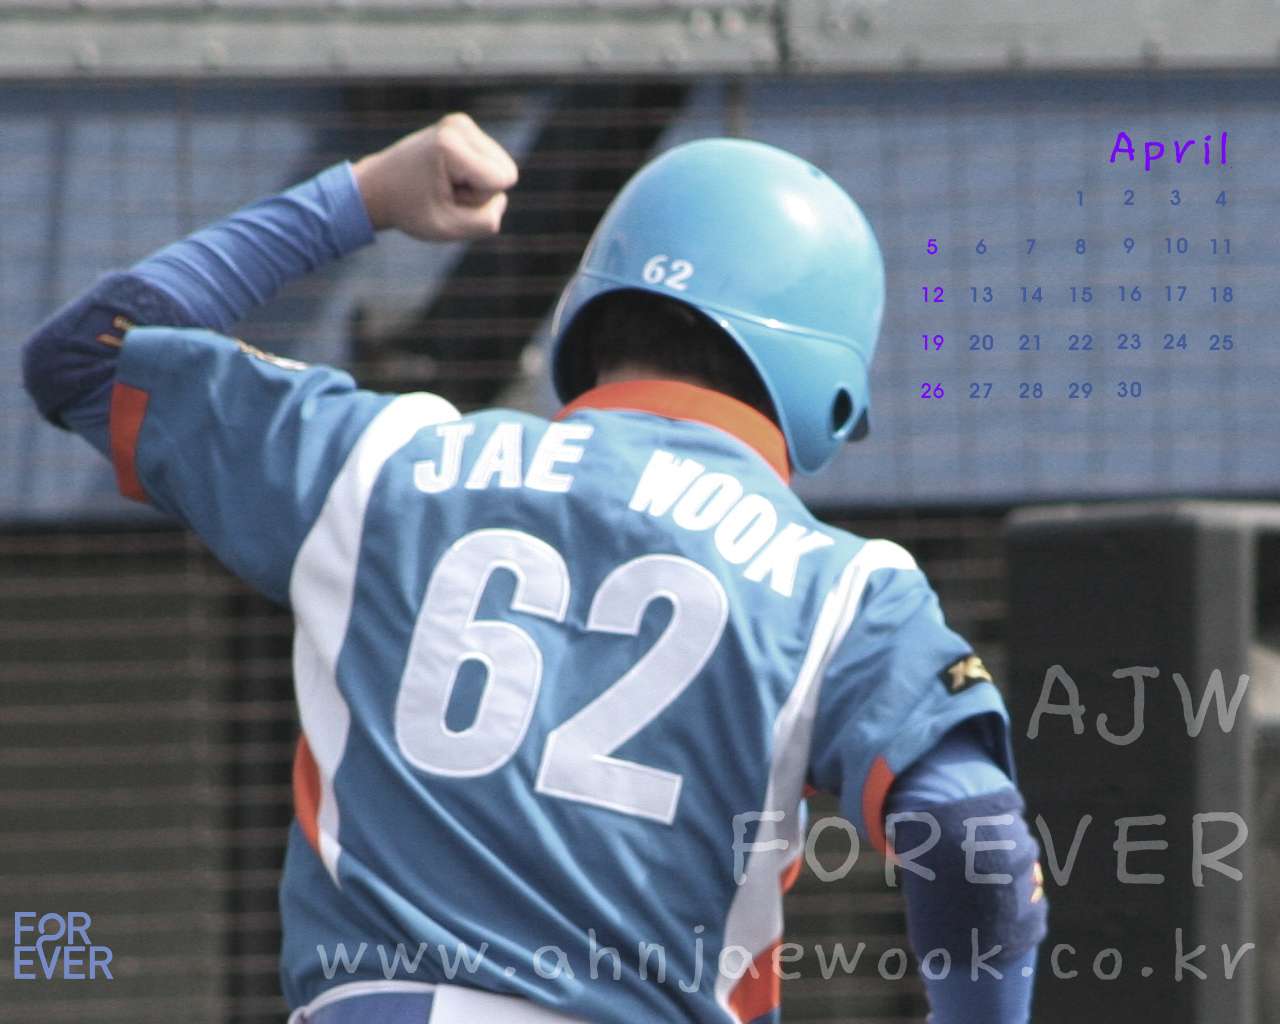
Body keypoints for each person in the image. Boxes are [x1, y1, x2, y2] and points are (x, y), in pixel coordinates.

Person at [22, 113, 1046, 1024]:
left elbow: (86, 354)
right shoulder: (845, 588)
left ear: (591, 309)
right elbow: (972, 837)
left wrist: (364, 195)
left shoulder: (382, 460)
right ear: (828, 392)